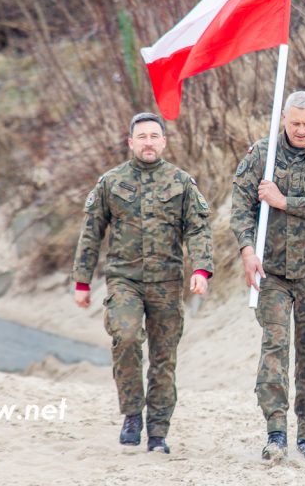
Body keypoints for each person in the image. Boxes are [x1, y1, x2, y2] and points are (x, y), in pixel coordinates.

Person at [72, 112, 213, 454]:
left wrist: (202, 269)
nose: (148, 142)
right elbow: (92, 233)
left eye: (154, 136)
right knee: (127, 337)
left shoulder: (181, 183)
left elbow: (198, 228)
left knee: (164, 359)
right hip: (125, 280)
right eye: (142, 137)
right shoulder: (111, 182)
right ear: (130, 142)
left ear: (164, 142)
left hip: (166, 283)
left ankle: (158, 432)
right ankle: (132, 413)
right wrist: (82, 281)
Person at [230, 91, 305, 461]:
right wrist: (247, 250)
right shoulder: (262, 154)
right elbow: (239, 206)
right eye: (295, 122)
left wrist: (285, 201)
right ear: (283, 118)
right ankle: (276, 431)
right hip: (273, 272)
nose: (301, 130)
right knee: (275, 346)